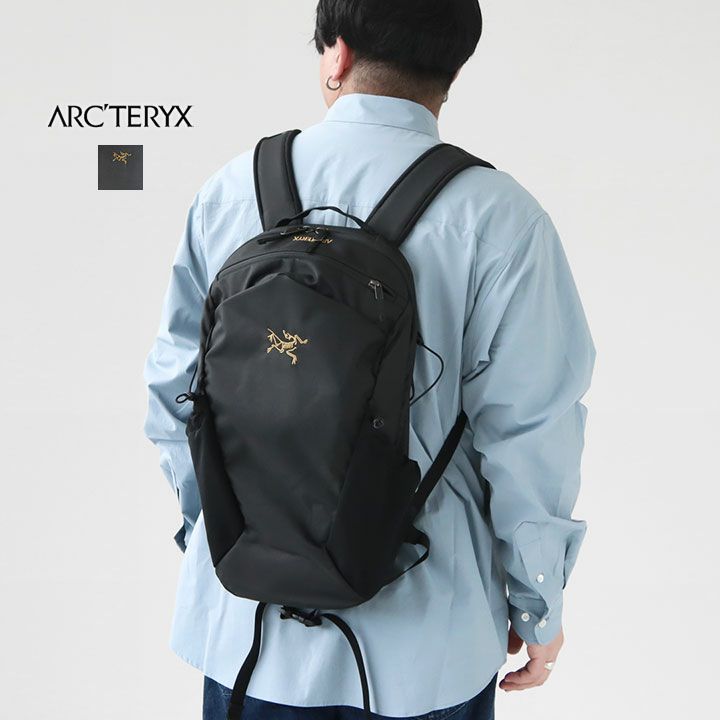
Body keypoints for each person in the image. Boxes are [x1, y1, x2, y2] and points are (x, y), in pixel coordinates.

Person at [143, 1, 596, 718]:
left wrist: (229, 532)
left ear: (338, 53)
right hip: (424, 644)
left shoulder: (230, 191)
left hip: (245, 637)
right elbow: (532, 437)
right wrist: (538, 604)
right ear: (453, 70)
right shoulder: (499, 217)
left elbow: (174, 393)